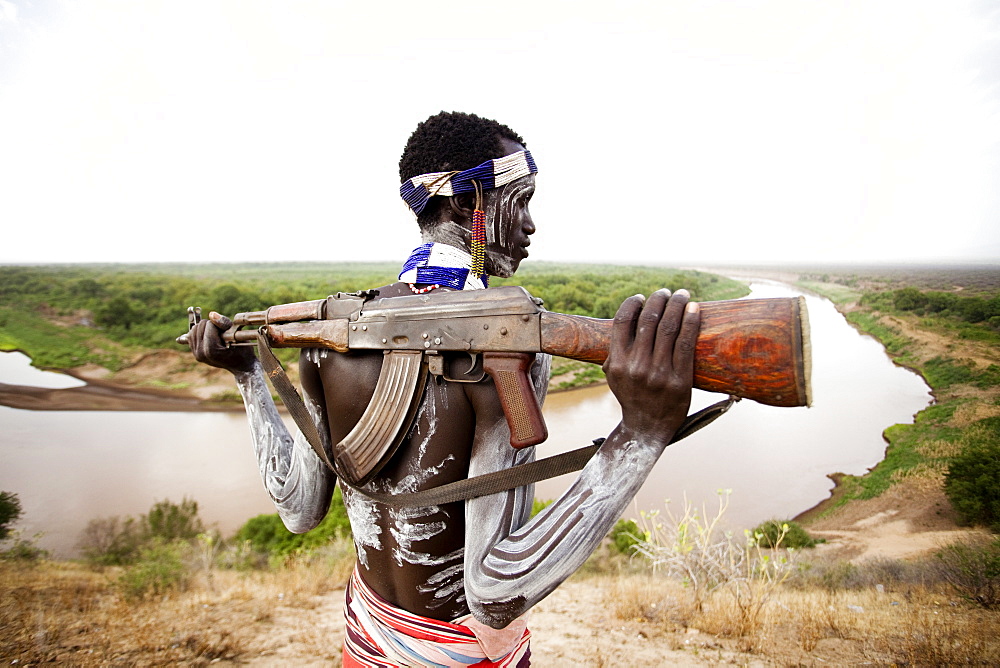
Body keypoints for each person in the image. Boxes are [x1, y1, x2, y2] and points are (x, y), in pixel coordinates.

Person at [188, 111, 701, 667]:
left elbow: (298, 509)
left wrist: (247, 378)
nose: (530, 225)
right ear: (464, 203)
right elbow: (496, 588)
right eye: (521, 200)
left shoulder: (327, 338)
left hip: (365, 639)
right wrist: (641, 434)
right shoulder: (506, 342)